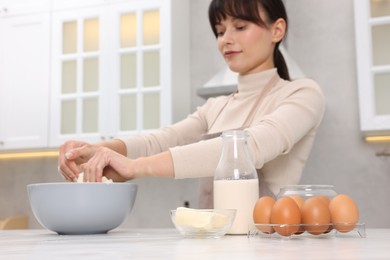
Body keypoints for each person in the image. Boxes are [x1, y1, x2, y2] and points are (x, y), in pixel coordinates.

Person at [58, 0, 325, 208]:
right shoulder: (216, 106)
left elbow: (250, 147)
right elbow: (163, 140)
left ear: (277, 29)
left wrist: (135, 167)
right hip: (212, 241)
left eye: (240, 27)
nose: (226, 40)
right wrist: (98, 149)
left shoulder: (302, 94)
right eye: (220, 31)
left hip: (267, 246)